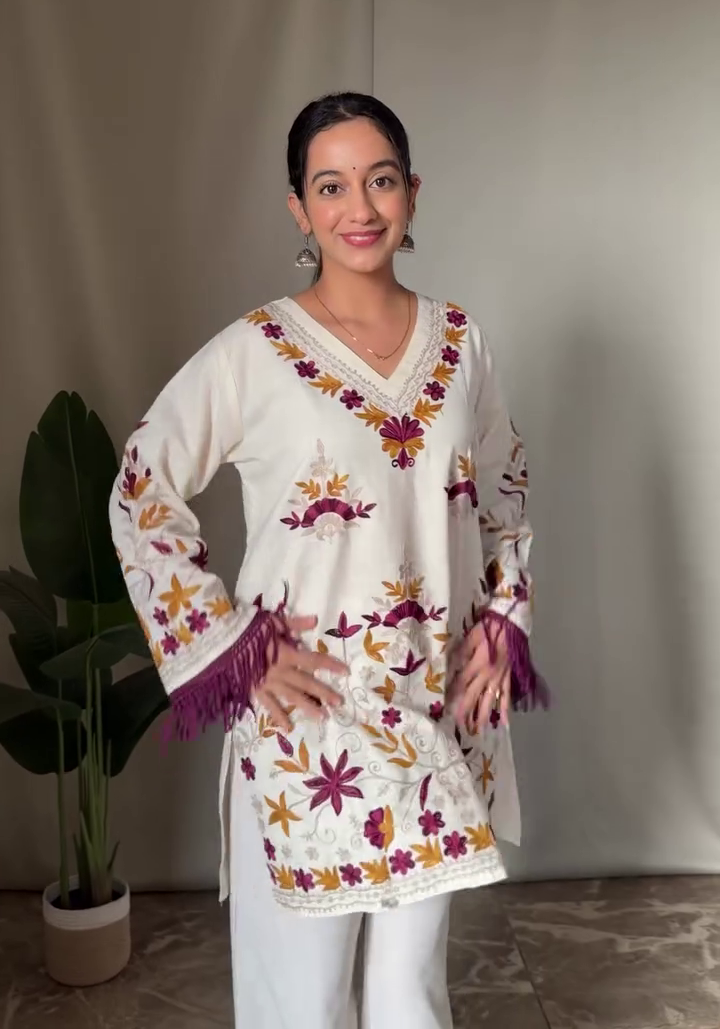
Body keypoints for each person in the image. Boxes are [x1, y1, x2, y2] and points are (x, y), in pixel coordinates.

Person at [109, 92, 546, 1029]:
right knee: (300, 1007)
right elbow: (141, 489)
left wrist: (503, 619)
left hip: (432, 718)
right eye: (332, 186)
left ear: (413, 192)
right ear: (299, 209)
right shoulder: (254, 353)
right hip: (309, 728)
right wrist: (230, 644)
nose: (360, 208)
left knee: (408, 1000)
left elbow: (505, 490)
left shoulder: (460, 344)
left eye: (380, 180)